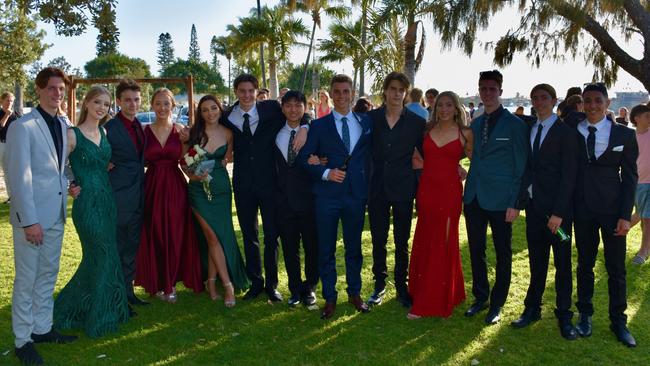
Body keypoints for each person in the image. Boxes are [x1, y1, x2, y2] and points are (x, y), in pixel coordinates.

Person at [6, 67, 77, 366]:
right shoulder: (23, 126)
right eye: (51, 88)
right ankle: (23, 340)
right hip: (32, 220)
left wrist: (71, 182)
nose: (57, 93)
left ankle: (42, 328)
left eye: (61, 89)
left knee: (48, 275)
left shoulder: (62, 123)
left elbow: (60, 166)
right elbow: (17, 176)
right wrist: (28, 220)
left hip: (57, 214)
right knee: (27, 279)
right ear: (38, 89)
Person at [221, 74, 306, 302]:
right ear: (236, 92)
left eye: (251, 91)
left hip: (270, 183)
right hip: (243, 184)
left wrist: (306, 126)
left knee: (271, 235)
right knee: (250, 235)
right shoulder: (227, 116)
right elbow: (207, 127)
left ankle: (272, 285)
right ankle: (255, 282)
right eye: (242, 91)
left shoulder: (270, 109)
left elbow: (297, 111)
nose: (247, 95)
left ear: (257, 92)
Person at [53, 85, 130, 337]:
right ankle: (89, 312)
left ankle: (101, 308)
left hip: (107, 201)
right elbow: (57, 164)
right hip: (87, 205)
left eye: (106, 105)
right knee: (102, 254)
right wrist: (72, 183)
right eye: (97, 102)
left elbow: (102, 159)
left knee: (100, 258)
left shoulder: (105, 131)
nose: (102, 108)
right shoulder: (72, 134)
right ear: (86, 103)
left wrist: (101, 164)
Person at [568, 83, 638, 347]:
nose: (593, 106)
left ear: (607, 103)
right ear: (582, 103)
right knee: (584, 265)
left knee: (616, 268)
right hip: (582, 210)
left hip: (613, 212)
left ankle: (618, 322)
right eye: (588, 101)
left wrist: (625, 215)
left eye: (598, 100)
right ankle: (584, 315)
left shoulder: (624, 135)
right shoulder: (573, 130)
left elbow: (630, 178)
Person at [298, 74, 372, 319]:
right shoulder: (318, 125)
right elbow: (305, 159)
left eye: (346, 91)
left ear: (353, 93)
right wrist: (326, 172)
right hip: (327, 197)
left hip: (356, 195)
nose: (342, 96)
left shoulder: (366, 122)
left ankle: (355, 293)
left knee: (354, 248)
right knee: (326, 248)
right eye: (337, 92)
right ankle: (329, 297)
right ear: (331, 94)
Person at [510, 84, 579, 340]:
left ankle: (564, 316)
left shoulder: (566, 133)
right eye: (535, 98)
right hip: (535, 212)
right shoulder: (530, 128)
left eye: (544, 98)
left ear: (554, 100)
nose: (539, 102)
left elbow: (569, 176)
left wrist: (559, 213)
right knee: (536, 262)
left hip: (559, 218)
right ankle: (532, 309)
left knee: (562, 264)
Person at [463, 70, 528, 324]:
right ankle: (481, 297)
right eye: (483, 89)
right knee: (476, 250)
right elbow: (469, 154)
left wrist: (515, 203)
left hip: (502, 200)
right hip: (474, 198)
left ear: (500, 91)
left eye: (492, 89)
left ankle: (497, 303)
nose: (487, 93)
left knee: (503, 252)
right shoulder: (475, 125)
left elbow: (521, 168)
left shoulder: (515, 125)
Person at [135, 88, 203, 302]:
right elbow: (138, 161)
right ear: (152, 105)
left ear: (173, 106)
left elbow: (189, 160)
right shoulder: (144, 131)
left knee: (175, 233)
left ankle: (171, 283)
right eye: (158, 103)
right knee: (155, 232)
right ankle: (157, 282)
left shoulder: (181, 130)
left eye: (166, 104)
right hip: (152, 186)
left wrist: (193, 144)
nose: (162, 108)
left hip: (175, 186)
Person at [408, 91, 471, 319]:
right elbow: (416, 158)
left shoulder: (465, 133)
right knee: (426, 239)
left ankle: (437, 299)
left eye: (449, 105)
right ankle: (423, 291)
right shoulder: (426, 130)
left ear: (456, 108)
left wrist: (461, 170)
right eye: (440, 105)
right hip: (427, 191)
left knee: (444, 242)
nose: (444, 109)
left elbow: (480, 162)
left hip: (450, 194)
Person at [365, 72, 425, 308]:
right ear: (385, 91)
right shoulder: (370, 119)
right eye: (392, 89)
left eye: (401, 89)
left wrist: (455, 168)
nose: (396, 93)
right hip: (377, 187)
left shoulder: (416, 123)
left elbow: (430, 152)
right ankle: (379, 284)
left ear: (406, 93)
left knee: (402, 241)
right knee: (378, 239)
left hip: (403, 187)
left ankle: (402, 286)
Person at [184, 95, 250, 307]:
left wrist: (221, 161)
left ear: (220, 110)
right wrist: (195, 176)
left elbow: (226, 159)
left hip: (221, 189)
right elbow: (186, 165)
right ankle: (228, 285)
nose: (210, 113)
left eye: (213, 108)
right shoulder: (193, 134)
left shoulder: (229, 133)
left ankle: (211, 282)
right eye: (205, 110)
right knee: (211, 235)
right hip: (198, 190)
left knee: (217, 237)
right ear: (200, 113)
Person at [102, 79, 149, 307]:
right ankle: (116, 293)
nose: (133, 104)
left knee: (131, 244)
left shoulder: (139, 125)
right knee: (119, 245)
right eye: (128, 100)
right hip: (119, 195)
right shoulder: (109, 129)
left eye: (136, 99)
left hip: (139, 193)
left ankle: (128, 291)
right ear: (119, 101)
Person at [274, 90, 319, 307]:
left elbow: (324, 157)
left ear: (304, 107)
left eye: (298, 105)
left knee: (312, 246)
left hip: (309, 199)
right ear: (282, 108)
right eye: (288, 105)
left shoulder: (313, 131)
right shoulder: (274, 132)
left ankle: (310, 287)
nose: (293, 110)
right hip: (283, 202)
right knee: (290, 247)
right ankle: (294, 288)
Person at [630, 104, 650, 265]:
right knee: (642, 217)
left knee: (647, 218)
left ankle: (643, 252)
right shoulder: (630, 136)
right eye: (647, 116)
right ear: (637, 118)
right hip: (637, 183)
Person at [0, 91, 21, 202]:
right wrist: (7, 115)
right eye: (7, 100)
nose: (9, 103)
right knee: (6, 171)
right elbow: (1, 126)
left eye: (11, 101)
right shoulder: (2, 113)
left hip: (13, 146)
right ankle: (11, 196)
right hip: (2, 144)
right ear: (1, 101)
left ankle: (15, 196)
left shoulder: (16, 114)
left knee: (14, 171)